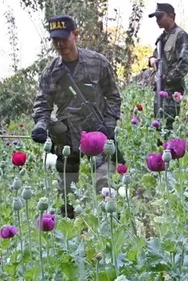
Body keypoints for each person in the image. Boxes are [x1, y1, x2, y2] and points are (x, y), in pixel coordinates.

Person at [31, 15, 123, 215]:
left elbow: (114, 97)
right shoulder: (51, 72)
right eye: (55, 40)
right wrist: (40, 125)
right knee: (66, 193)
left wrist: (108, 124)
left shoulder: (98, 63)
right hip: (66, 138)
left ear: (76, 35)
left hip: (97, 135)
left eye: (64, 38)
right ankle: (70, 234)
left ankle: (111, 230)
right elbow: (42, 104)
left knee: (104, 187)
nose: (60, 44)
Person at [147, 3, 188, 131]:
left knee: (167, 129)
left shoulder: (180, 35)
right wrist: (151, 59)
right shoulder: (162, 38)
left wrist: (166, 78)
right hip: (160, 90)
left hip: (172, 91)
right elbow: (155, 56)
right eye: (156, 18)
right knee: (158, 129)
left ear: (171, 16)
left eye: (160, 17)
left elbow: (185, 63)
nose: (157, 21)